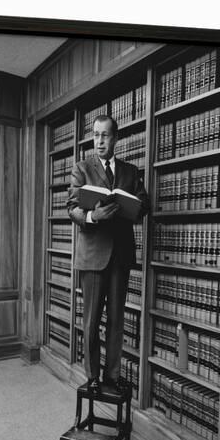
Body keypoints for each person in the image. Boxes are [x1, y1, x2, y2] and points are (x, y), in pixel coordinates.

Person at [67, 115, 149, 394]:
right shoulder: (82, 168)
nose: (99, 141)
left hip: (121, 255)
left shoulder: (130, 170)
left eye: (105, 135)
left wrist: (134, 206)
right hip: (92, 255)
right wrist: (93, 215)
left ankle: (112, 376)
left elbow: (144, 204)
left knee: (116, 318)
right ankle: (92, 376)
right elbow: (72, 207)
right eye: (96, 135)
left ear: (115, 138)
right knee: (91, 319)